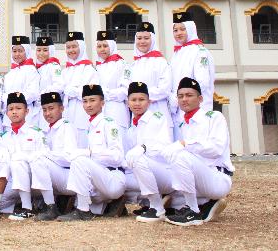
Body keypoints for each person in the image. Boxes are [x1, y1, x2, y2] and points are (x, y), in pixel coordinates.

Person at [162, 77, 233, 227]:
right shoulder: (183, 124)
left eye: (189, 95)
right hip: (199, 179)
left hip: (216, 178)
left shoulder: (214, 117)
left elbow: (216, 149)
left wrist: (185, 144)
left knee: (180, 154)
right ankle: (205, 205)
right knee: (167, 191)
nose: (184, 99)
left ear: (200, 99)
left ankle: (193, 212)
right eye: (180, 96)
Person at [58, 84, 126, 222]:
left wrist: (90, 153)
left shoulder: (109, 123)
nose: (88, 105)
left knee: (79, 160)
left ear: (102, 102)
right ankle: (106, 206)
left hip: (112, 176)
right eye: (85, 101)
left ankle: (83, 211)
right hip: (98, 181)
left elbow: (117, 156)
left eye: (92, 100)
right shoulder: (90, 126)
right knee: (77, 163)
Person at [0, 92, 56, 221]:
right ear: (6, 113)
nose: (14, 112)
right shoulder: (4, 137)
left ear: (27, 111)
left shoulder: (36, 132)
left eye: (18, 108)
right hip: (15, 181)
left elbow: (45, 155)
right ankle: (22, 203)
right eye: (11, 109)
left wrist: (24, 158)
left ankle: (27, 208)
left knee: (18, 161)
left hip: (36, 179)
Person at [122, 81, 173, 223]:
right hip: (147, 172)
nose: (137, 103)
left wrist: (143, 148)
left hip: (164, 172)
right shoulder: (131, 128)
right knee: (118, 181)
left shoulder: (157, 119)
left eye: (142, 99)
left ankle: (157, 208)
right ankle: (149, 203)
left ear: (149, 102)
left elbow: (163, 146)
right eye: (133, 100)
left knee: (138, 159)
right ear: (127, 103)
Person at [121, 22, 173, 140]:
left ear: (152, 39)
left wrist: (141, 97)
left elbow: (165, 89)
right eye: (139, 38)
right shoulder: (132, 65)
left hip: (157, 112)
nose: (142, 41)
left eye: (146, 38)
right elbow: (126, 88)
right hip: (137, 114)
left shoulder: (161, 62)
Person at [169, 12, 215, 134]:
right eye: (175, 30)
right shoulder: (176, 54)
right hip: (179, 110)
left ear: (191, 29)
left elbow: (202, 83)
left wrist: (180, 98)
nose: (179, 33)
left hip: (197, 110)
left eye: (182, 29)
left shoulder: (199, 51)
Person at [39, 92, 78, 219]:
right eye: (44, 110)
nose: (47, 113)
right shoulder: (47, 130)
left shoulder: (67, 127)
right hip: (57, 175)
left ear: (61, 108)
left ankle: (50, 207)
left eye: (51, 108)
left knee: (38, 160)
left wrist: (46, 155)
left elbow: (69, 158)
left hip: (69, 176)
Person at [59, 32, 99, 147]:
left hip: (83, 112)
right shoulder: (65, 71)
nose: (71, 50)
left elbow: (91, 92)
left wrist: (73, 91)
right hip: (67, 112)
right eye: (68, 47)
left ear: (81, 47)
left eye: (74, 46)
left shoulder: (89, 70)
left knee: (82, 144)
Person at [95, 31, 129, 142]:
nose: (102, 49)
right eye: (99, 46)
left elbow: (125, 91)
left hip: (117, 110)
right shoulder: (97, 67)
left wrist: (104, 94)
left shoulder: (122, 64)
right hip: (100, 111)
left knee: (118, 141)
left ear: (112, 46)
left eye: (105, 46)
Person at [2, 36, 40, 130]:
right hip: (9, 115)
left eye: (20, 51)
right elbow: (3, 93)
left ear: (26, 51)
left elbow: (33, 93)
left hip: (26, 114)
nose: (17, 54)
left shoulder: (31, 70)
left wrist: (14, 102)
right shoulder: (10, 73)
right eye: (14, 51)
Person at [35, 36, 63, 103]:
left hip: (49, 104)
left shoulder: (54, 66)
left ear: (51, 51)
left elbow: (59, 86)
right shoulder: (37, 68)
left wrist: (42, 94)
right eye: (39, 50)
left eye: (45, 50)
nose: (41, 53)